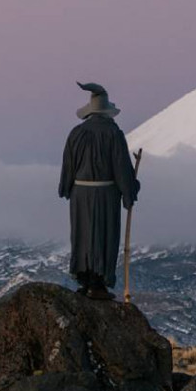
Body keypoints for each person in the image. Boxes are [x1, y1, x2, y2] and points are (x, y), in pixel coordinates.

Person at [58, 82, 140, 300]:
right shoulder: (113, 133)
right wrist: (130, 190)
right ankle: (98, 283)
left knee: (83, 235)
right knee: (104, 234)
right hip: (105, 194)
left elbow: (68, 165)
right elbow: (121, 167)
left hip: (80, 194)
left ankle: (85, 280)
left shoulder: (76, 133)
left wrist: (66, 187)